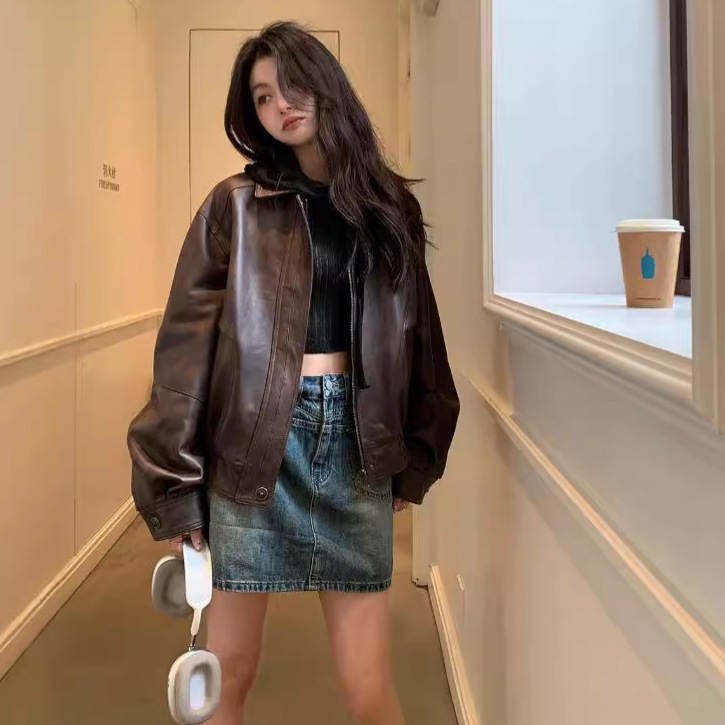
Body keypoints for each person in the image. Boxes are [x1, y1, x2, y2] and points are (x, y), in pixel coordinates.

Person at [127, 21, 459, 725]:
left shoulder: (388, 207)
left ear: (325, 85)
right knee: (230, 670)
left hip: (357, 449)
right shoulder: (234, 207)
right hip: (254, 450)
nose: (280, 104)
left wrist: (415, 453)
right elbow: (184, 354)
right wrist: (176, 488)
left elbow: (420, 338)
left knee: (366, 686)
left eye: (291, 85)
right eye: (261, 96)